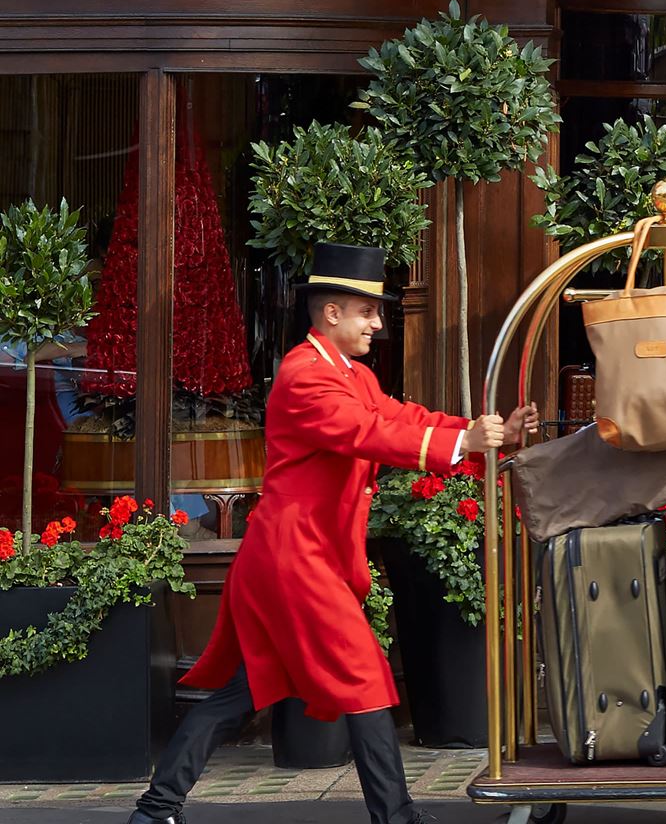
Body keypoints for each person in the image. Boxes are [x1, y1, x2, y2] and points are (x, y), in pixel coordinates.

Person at [128, 243, 538, 824]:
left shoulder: (349, 373)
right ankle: (396, 817)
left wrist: (480, 431)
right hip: (297, 562)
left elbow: (403, 419)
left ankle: (155, 808)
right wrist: (465, 443)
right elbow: (365, 433)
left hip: (295, 558)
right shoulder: (304, 377)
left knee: (240, 692)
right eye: (368, 312)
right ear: (331, 315)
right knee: (364, 674)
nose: (378, 323)